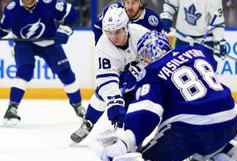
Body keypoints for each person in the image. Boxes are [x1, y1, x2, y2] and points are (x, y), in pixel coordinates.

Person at [94, 31, 237, 161]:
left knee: (147, 157)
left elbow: (146, 112)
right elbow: (210, 59)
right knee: (206, 139)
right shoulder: (197, 51)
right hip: (230, 121)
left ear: (146, 56)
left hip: (193, 130)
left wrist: (126, 141)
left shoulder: (152, 71)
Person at [70, 7, 150, 143]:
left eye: (117, 31)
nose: (113, 37)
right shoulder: (103, 45)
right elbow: (106, 81)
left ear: (126, 27)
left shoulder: (142, 34)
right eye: (109, 32)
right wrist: (115, 104)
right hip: (120, 73)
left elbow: (160, 58)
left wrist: (139, 70)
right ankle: (88, 122)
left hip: (147, 76)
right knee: (102, 93)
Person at [0, 0, 85, 125]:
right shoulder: (12, 9)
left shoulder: (49, 2)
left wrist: (65, 30)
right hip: (24, 43)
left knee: (66, 73)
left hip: (49, 42)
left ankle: (78, 105)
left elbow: (72, 13)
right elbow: (3, 29)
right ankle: (12, 108)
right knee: (25, 71)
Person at [160, 0, 227, 58]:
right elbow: (170, 4)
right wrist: (167, 17)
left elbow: (217, 22)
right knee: (180, 70)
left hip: (204, 43)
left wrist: (219, 41)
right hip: (181, 40)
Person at [92, 0, 162, 45]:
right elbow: (97, 26)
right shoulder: (114, 9)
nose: (129, 7)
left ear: (140, 3)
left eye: (133, 3)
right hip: (117, 56)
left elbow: (158, 42)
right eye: (127, 3)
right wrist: (102, 48)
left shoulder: (152, 19)